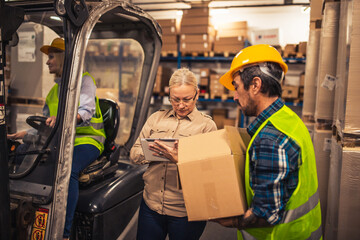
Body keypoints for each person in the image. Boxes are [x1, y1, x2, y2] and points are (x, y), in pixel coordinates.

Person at [213, 44, 322, 239]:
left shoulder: (270, 139)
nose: (235, 96)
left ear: (255, 85)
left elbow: (265, 215)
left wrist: (229, 221)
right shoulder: (288, 119)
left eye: (236, 86)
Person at [7, 38, 106, 240]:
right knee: (19, 154)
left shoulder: (84, 81)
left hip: (87, 141)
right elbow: (46, 128)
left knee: (68, 169)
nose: (48, 62)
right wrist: (23, 136)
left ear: (63, 57)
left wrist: (62, 118)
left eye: (51, 56)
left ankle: (64, 232)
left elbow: (85, 112)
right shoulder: (54, 91)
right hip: (60, 142)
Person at [130, 68, 217, 240]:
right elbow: (134, 154)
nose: (181, 105)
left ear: (197, 95)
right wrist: (154, 152)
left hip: (186, 211)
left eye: (187, 99)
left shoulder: (206, 126)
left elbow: (210, 172)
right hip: (151, 205)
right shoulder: (156, 118)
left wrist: (180, 159)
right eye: (175, 99)